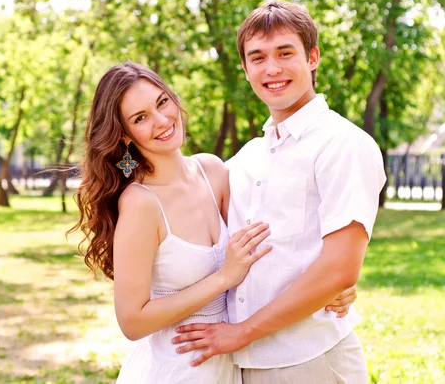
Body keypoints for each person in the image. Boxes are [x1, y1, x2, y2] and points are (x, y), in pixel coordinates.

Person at [69, 61, 357, 383]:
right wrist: (223, 278)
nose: (162, 120)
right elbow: (132, 321)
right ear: (124, 135)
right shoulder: (140, 203)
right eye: (140, 118)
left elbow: (277, 227)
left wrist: (329, 285)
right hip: (176, 369)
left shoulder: (213, 172)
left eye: (162, 102)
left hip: (230, 364)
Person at [172, 2, 387, 383]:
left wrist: (243, 331)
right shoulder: (246, 158)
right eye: (258, 57)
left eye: (285, 53)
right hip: (242, 365)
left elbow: (340, 267)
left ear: (313, 58)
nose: (272, 69)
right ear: (245, 69)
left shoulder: (344, 144)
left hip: (310, 359)